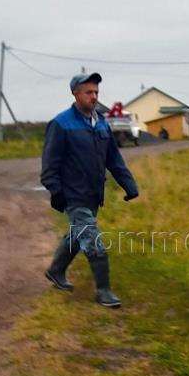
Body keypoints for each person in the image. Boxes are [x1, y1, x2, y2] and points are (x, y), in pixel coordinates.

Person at [40, 72, 139, 308]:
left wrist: (129, 184)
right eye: (88, 92)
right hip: (73, 194)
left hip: (94, 194)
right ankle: (104, 291)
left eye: (96, 92)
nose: (94, 96)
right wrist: (56, 191)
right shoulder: (61, 124)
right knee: (92, 240)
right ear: (75, 94)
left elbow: (113, 158)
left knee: (78, 233)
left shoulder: (101, 123)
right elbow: (49, 165)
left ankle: (56, 270)